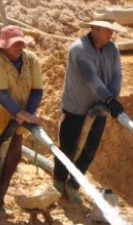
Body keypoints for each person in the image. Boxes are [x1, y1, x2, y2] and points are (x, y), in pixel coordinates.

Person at [0, 25, 44, 217]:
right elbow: (1, 95)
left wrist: (27, 113)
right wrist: (23, 115)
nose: (18, 47)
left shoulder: (31, 60)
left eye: (21, 43)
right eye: (14, 44)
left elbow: (37, 90)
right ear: (3, 46)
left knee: (11, 159)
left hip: (18, 119)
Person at [54, 20, 127, 204]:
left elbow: (117, 75)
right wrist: (109, 99)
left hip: (100, 109)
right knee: (68, 147)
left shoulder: (112, 49)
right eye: (106, 30)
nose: (110, 35)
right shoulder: (79, 49)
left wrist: (112, 98)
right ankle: (59, 182)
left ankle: (74, 185)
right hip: (76, 108)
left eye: (112, 31)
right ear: (94, 29)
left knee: (89, 150)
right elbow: (91, 78)